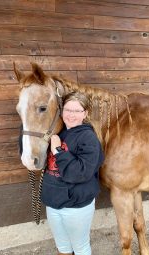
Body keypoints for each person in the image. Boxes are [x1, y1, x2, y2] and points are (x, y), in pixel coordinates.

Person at [41, 91, 104, 255]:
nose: (71, 115)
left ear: (85, 113)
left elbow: (81, 173)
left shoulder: (88, 138)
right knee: (62, 247)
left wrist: (58, 151)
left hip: (76, 206)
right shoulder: (58, 132)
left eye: (77, 111)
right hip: (53, 202)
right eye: (68, 110)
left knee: (80, 248)